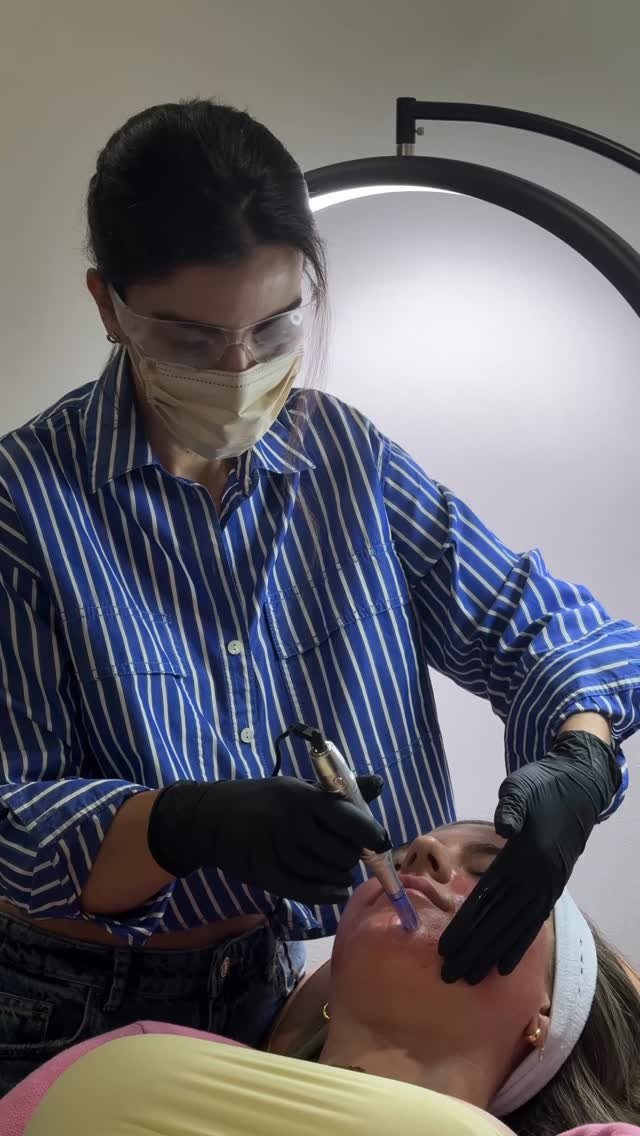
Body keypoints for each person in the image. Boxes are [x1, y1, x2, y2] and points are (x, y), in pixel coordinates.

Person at [0, 97, 638, 1094]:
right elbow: (14, 817)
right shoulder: (24, 504)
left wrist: (581, 755)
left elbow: (546, 625)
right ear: (107, 304)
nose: (241, 368)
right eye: (192, 338)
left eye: (274, 325)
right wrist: (179, 824)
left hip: (267, 988)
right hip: (61, 999)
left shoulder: (344, 457)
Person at [2, 822, 639, 1136]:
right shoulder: (137, 1048)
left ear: (550, 1012)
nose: (423, 852)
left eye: (489, 871)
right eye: (405, 854)